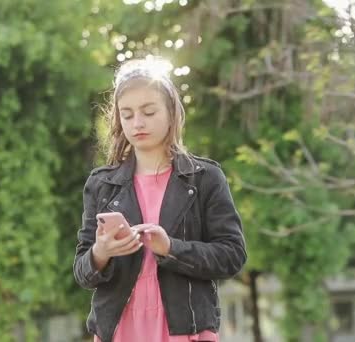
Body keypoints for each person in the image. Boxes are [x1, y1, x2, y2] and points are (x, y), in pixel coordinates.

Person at [73, 57, 247, 342]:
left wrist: (171, 248)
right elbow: (82, 272)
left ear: (171, 113)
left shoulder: (205, 178)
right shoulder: (101, 184)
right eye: (127, 115)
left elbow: (232, 256)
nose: (137, 123)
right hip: (118, 330)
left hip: (185, 330)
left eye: (149, 112)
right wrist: (101, 252)